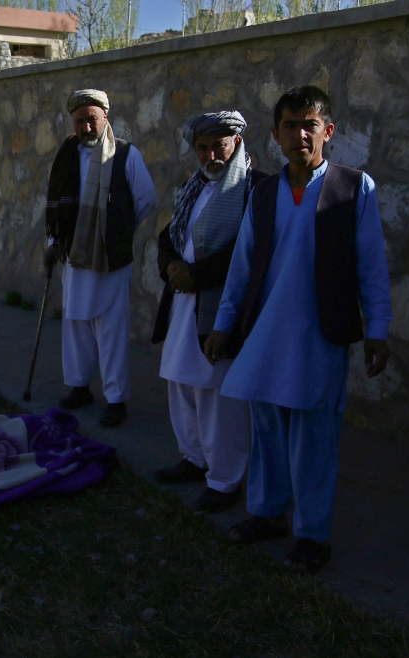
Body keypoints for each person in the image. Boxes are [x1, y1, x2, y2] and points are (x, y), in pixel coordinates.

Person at [204, 86, 392, 573]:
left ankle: (312, 536)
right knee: (266, 431)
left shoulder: (355, 189)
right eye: (290, 125)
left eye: (310, 124)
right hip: (265, 336)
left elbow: (372, 267)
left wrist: (379, 329)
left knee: (313, 440)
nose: (300, 134)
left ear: (327, 131)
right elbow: (242, 268)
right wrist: (224, 325)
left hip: (320, 337)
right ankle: (267, 515)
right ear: (275, 135)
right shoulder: (264, 193)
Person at [151, 111, 267, 513]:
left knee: (218, 394)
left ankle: (224, 480)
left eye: (219, 145)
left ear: (236, 142)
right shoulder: (193, 186)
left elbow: (248, 254)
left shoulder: (256, 188)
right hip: (183, 303)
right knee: (181, 384)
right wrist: (170, 266)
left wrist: (196, 275)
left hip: (219, 310)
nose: (211, 154)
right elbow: (168, 235)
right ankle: (193, 458)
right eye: (203, 147)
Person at [43, 89, 158, 427]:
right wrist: (52, 243)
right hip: (75, 257)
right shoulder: (67, 155)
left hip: (110, 259)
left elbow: (146, 198)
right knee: (76, 324)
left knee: (111, 329)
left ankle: (116, 398)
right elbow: (55, 208)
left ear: (105, 117)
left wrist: (117, 231)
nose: (86, 126)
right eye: (80, 121)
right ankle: (79, 387)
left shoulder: (124, 154)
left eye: (91, 118)